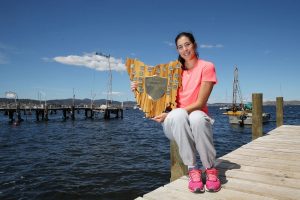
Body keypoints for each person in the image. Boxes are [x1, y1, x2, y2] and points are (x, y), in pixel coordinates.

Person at [131, 32, 221, 193]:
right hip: (175, 121)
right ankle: (193, 169)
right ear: (177, 50)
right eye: (180, 47)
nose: (185, 49)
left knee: (197, 117)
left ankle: (210, 169)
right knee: (179, 114)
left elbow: (200, 103)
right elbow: (155, 90)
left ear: (194, 44)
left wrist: (172, 113)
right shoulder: (174, 71)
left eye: (187, 44)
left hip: (197, 117)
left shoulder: (207, 67)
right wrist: (139, 88)